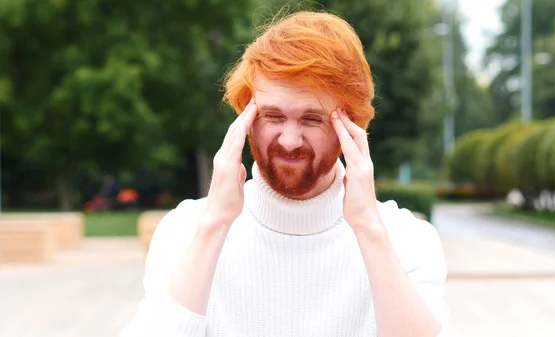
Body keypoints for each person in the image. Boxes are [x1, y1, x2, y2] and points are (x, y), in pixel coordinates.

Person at [120, 10, 452, 337]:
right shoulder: (186, 230)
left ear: (350, 126)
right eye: (273, 117)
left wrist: (368, 228)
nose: (289, 141)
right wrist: (215, 225)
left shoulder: (406, 239)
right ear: (246, 118)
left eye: (312, 119)